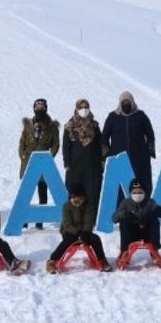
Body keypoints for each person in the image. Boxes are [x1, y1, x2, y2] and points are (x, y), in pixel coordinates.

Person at [46, 183, 112, 273]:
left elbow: (89, 222)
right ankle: (52, 260)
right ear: (70, 197)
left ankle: (102, 260)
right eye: (74, 198)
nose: (77, 200)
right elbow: (67, 224)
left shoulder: (88, 207)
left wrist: (84, 233)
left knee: (95, 238)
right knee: (68, 240)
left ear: (84, 198)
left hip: (85, 232)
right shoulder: (66, 206)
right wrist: (77, 233)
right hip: (69, 231)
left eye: (80, 198)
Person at [102, 91, 156, 199]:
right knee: (119, 185)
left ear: (132, 102)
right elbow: (104, 137)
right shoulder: (113, 117)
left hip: (139, 158)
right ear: (120, 103)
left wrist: (149, 151)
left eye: (128, 101)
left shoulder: (140, 116)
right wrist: (108, 154)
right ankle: (120, 208)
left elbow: (150, 134)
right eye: (124, 101)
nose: (126, 103)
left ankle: (142, 206)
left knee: (141, 181)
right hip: (118, 157)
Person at [62, 98, 104, 228]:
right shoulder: (69, 127)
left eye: (86, 107)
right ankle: (73, 222)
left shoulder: (95, 126)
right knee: (75, 195)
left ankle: (91, 221)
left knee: (92, 194)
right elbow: (66, 147)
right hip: (75, 168)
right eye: (81, 107)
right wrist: (67, 163)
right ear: (76, 109)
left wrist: (102, 162)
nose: (84, 110)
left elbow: (100, 145)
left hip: (92, 167)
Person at [18, 98, 60, 229]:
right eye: (37, 106)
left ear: (46, 108)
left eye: (42, 106)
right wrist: (23, 156)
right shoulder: (28, 125)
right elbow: (21, 143)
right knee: (26, 194)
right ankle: (24, 220)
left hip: (43, 163)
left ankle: (39, 221)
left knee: (43, 193)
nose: (40, 109)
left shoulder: (52, 127)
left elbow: (56, 144)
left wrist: (49, 157)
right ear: (34, 108)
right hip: (29, 163)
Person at [111, 179, 161, 254]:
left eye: (140, 192)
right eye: (134, 192)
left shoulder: (150, 202)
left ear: (144, 193)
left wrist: (148, 216)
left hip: (147, 233)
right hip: (131, 234)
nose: (137, 194)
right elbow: (114, 218)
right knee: (123, 222)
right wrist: (125, 214)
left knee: (155, 220)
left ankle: (154, 247)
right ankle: (124, 251)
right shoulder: (126, 203)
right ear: (130, 193)